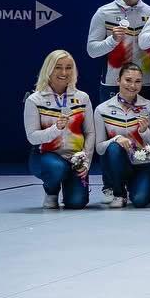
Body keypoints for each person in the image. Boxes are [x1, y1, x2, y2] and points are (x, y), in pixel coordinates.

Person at [24, 50, 95, 209]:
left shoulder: (82, 98)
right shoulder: (35, 100)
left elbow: (90, 132)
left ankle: (70, 182)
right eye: (58, 67)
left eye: (68, 68)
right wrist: (56, 128)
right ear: (48, 69)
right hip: (45, 156)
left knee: (77, 203)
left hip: (75, 158)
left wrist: (86, 160)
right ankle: (51, 191)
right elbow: (32, 137)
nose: (64, 72)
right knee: (57, 168)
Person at [85, 0, 150, 108]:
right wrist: (113, 40)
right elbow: (92, 51)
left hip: (145, 83)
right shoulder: (103, 13)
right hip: (112, 83)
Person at [93, 63, 150, 209]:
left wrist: (144, 132)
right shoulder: (102, 109)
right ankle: (119, 193)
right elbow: (99, 148)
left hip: (143, 165)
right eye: (128, 80)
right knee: (113, 147)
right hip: (118, 164)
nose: (133, 86)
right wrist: (116, 139)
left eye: (137, 81)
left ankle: (141, 185)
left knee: (140, 201)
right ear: (118, 81)